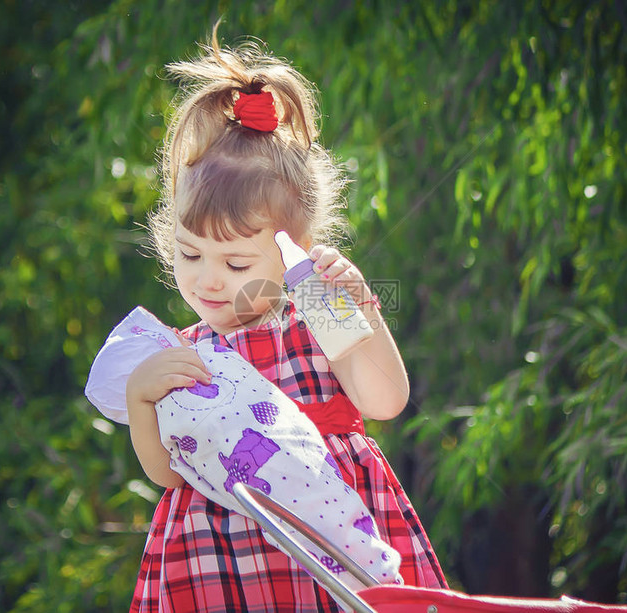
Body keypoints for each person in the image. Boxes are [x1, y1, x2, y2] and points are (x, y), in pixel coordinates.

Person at [111, 26, 446, 612]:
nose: (208, 278)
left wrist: (355, 305)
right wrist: (141, 399)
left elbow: (386, 400)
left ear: (292, 249)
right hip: (217, 548)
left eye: (236, 262)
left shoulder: (315, 317)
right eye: (190, 254)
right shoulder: (182, 353)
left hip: (327, 536)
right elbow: (170, 477)